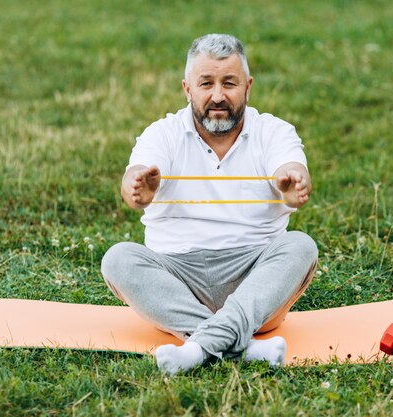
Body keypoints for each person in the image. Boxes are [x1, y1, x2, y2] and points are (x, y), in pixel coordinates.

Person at [101, 34, 318, 375]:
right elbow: (136, 179)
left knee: (300, 246)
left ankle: (198, 347)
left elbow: (290, 167)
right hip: (177, 281)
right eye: (206, 83)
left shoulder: (274, 132)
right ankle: (245, 347)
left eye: (229, 83)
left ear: (247, 87)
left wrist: (292, 180)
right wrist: (138, 186)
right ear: (188, 89)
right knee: (118, 259)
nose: (218, 96)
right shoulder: (162, 134)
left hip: (255, 281)